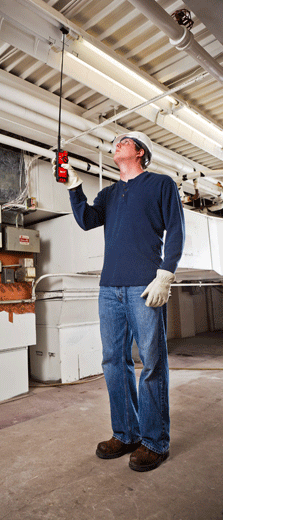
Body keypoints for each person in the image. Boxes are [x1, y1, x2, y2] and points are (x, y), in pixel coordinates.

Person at [53, 132, 185, 472]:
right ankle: (126, 433)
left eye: (125, 141)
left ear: (140, 151)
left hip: (145, 286)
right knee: (114, 361)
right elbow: (87, 220)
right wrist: (74, 187)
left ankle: (155, 441)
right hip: (109, 288)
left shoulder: (161, 185)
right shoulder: (109, 194)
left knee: (152, 363)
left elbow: (176, 229)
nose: (117, 143)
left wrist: (165, 274)